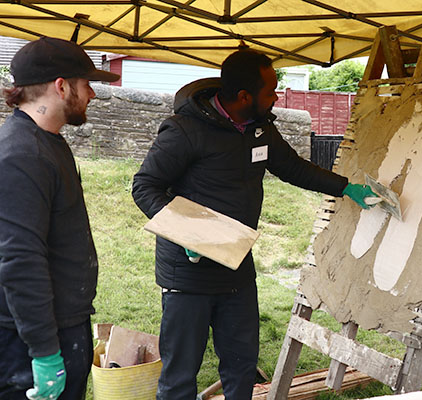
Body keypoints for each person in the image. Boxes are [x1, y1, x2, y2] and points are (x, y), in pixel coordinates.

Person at [132, 49, 375, 400]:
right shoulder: (185, 131)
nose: (276, 97)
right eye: (270, 91)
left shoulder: (259, 128)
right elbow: (144, 187)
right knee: (180, 376)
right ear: (243, 97)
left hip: (236, 267)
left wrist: (345, 187)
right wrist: (184, 232)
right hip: (189, 273)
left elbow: (292, 168)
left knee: (242, 367)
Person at [0, 37, 120, 400]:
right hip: (30, 339)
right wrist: (44, 351)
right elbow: (19, 260)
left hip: (63, 323)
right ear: (61, 86)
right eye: (87, 85)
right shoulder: (24, 155)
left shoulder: (48, 142)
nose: (92, 95)